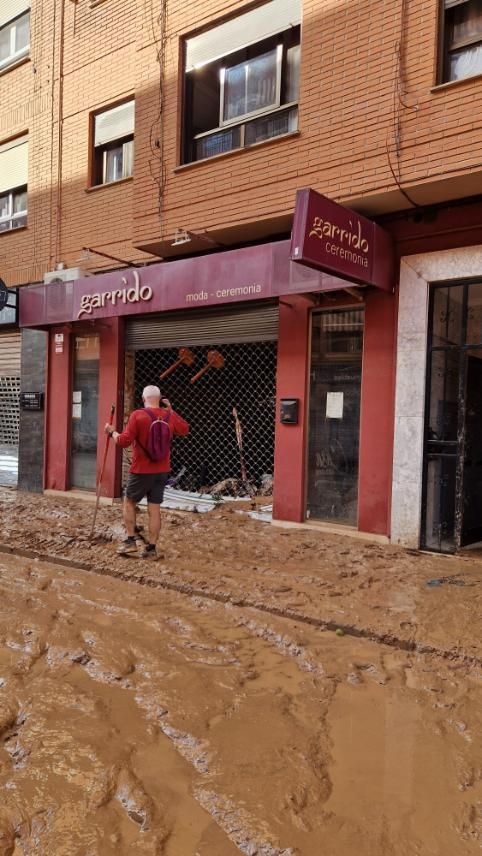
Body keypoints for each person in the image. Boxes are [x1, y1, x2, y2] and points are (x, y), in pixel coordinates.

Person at [105, 385, 189, 559]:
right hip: (162, 471)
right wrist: (171, 411)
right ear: (160, 399)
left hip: (141, 470)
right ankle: (151, 549)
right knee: (154, 509)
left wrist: (112, 432)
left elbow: (123, 441)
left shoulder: (138, 415)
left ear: (143, 399)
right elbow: (185, 429)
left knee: (129, 502)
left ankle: (130, 542)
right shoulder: (169, 417)